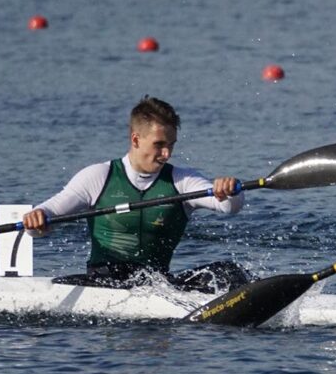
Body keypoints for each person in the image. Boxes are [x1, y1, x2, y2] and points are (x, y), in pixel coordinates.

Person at [23, 96, 248, 292]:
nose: (167, 154)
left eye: (171, 145)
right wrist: (37, 218)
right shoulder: (98, 176)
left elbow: (229, 207)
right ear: (135, 139)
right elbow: (47, 216)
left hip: (156, 284)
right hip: (104, 283)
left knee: (229, 272)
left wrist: (228, 191)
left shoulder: (182, 180)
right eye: (159, 145)